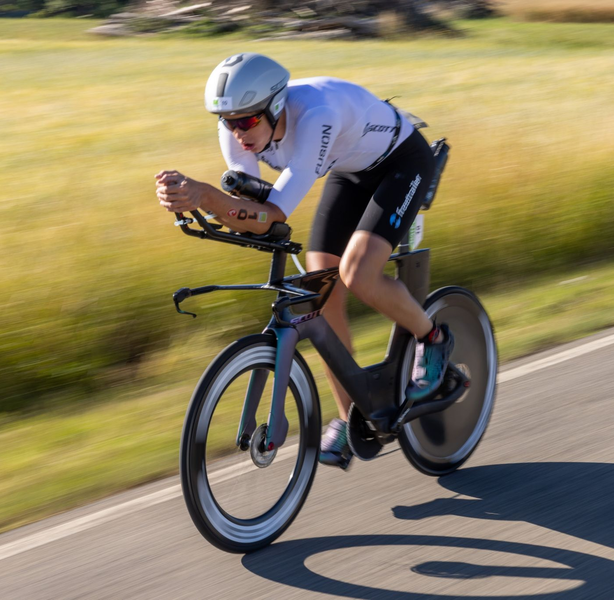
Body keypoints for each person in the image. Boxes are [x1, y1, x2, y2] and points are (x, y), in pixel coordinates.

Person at [155, 53, 453, 470]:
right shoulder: (237, 131)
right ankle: (352, 418)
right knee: (321, 284)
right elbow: (249, 209)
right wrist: (194, 201)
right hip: (350, 169)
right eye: (227, 121)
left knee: (357, 273)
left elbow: (275, 214)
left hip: (402, 162)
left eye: (245, 122)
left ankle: (433, 338)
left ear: (275, 106)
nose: (237, 133)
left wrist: (207, 196)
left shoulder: (316, 116)